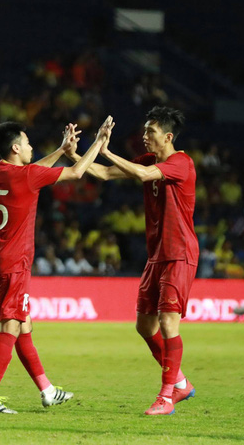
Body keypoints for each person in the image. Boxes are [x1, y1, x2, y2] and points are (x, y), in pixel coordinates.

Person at [0, 116, 114, 414]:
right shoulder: (26, 176)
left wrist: (63, 149)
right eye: (26, 143)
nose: (31, 147)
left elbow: (34, 169)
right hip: (14, 261)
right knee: (11, 325)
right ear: (15, 148)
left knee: (24, 325)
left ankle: (47, 390)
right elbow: (77, 172)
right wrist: (98, 143)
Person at [66, 106, 198, 415]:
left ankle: (167, 396)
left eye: (149, 132)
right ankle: (180, 382)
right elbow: (106, 173)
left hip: (179, 253)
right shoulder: (149, 160)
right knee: (144, 325)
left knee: (167, 322)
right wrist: (74, 155)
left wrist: (105, 148)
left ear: (167, 136)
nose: (144, 137)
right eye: (144, 131)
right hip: (157, 255)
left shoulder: (182, 163)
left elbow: (141, 174)